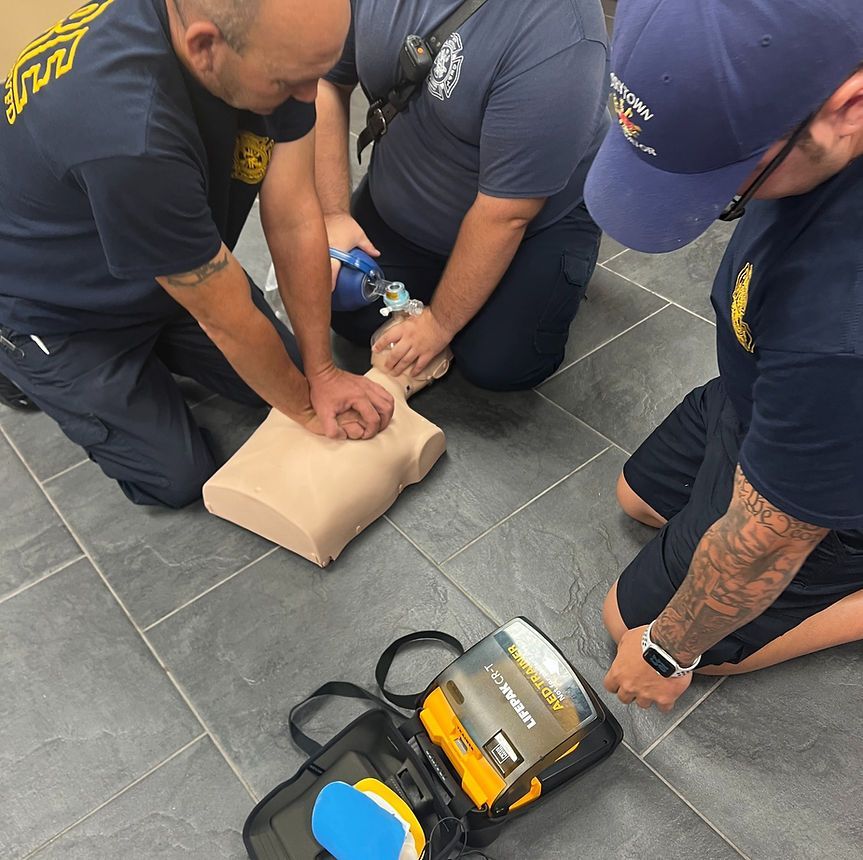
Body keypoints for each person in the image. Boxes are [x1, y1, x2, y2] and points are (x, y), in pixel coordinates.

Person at [0, 0, 394, 507]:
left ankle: (162, 330)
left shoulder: (278, 50)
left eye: (314, 76)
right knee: (177, 478)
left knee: (291, 372)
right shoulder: (128, 132)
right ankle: (18, 363)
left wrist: (320, 374)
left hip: (164, 259)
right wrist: (306, 409)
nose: (306, 97)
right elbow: (226, 318)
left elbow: (296, 216)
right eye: (287, 82)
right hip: (56, 309)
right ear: (204, 46)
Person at [582, 0, 863, 711]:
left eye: (730, 183)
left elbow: (767, 544)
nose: (719, 204)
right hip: (764, 382)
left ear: (846, 109)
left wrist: (666, 651)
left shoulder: (839, 323)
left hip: (831, 465)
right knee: (635, 499)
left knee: (630, 623)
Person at [314, 0, 610, 391]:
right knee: (347, 309)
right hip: (414, 177)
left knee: (499, 363)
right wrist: (334, 216)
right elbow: (327, 83)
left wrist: (439, 324)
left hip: (530, 215)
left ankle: (564, 265)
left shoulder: (562, 35)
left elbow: (506, 213)